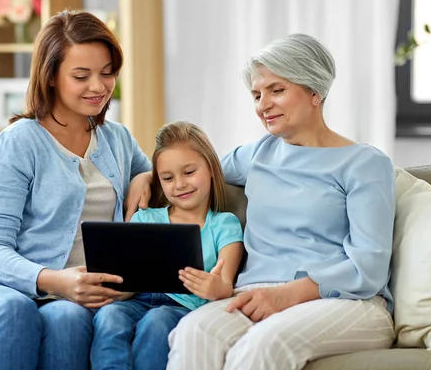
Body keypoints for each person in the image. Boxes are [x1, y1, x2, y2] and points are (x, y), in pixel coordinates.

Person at [126, 33, 396, 370]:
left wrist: (288, 294)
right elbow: (193, 170)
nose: (262, 105)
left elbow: (368, 266)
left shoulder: (365, 164)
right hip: (257, 292)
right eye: (257, 94)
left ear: (315, 91)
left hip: (349, 301)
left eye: (276, 90)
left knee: (263, 344)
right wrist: (145, 176)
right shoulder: (258, 154)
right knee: (193, 330)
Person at [0, 10, 151, 370]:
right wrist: (55, 281)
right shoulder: (18, 142)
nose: (98, 87)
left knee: (69, 319)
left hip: (68, 300)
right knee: (16, 310)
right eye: (81, 76)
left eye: (107, 73)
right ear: (50, 76)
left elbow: (161, 172)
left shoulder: (118, 139)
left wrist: (144, 176)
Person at [90, 121, 244, 370]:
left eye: (189, 172)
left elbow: (225, 285)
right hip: (136, 300)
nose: (180, 184)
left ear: (212, 169)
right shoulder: (144, 217)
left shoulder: (225, 224)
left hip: (184, 306)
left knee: (157, 319)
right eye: (168, 178)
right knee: (109, 315)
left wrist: (215, 287)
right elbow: (127, 274)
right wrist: (120, 288)